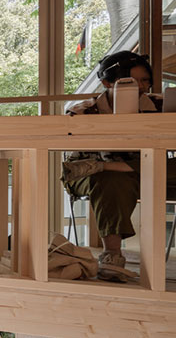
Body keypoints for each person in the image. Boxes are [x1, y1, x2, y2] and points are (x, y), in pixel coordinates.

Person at [62, 50, 174, 281]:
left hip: (146, 170)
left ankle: (112, 168)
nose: (141, 87)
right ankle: (112, 255)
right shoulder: (83, 111)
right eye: (131, 82)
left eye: (145, 80)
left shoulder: (162, 106)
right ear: (106, 82)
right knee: (111, 179)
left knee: (131, 170)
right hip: (89, 174)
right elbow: (83, 155)